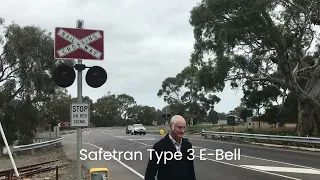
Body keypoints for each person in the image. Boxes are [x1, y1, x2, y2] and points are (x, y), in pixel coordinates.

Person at [144, 115, 196, 180]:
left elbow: (191, 170)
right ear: (171, 126)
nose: (182, 131)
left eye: (184, 127)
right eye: (179, 127)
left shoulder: (188, 145)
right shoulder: (159, 147)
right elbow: (149, 174)